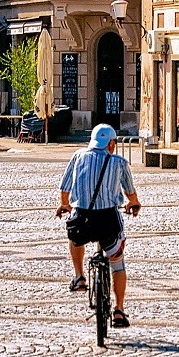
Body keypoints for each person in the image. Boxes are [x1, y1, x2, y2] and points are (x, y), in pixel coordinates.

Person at [57, 123, 142, 330]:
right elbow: (130, 192)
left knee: (74, 236)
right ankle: (119, 310)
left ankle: (79, 277)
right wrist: (134, 204)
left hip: (82, 217)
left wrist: (64, 205)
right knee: (117, 262)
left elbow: (65, 188)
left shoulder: (78, 156)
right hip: (108, 220)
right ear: (111, 144)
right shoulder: (119, 162)